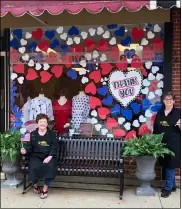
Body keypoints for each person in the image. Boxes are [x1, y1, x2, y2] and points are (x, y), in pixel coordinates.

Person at [20, 114, 59, 199]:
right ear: (37, 124)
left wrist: (49, 157)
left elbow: (54, 147)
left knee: (50, 166)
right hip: (36, 156)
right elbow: (29, 147)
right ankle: (35, 185)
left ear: (47, 124)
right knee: (33, 167)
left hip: (49, 156)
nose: (43, 123)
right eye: (41, 122)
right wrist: (25, 150)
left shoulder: (52, 134)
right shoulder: (33, 134)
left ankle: (45, 189)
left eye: (44, 122)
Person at [153, 92, 181, 198]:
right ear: (163, 101)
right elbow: (156, 128)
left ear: (174, 101)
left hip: (174, 143)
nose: (168, 101)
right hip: (162, 142)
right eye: (166, 99)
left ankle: (168, 188)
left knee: (170, 165)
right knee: (166, 164)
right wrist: (154, 140)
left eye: (170, 99)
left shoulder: (178, 113)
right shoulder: (160, 113)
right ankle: (172, 185)